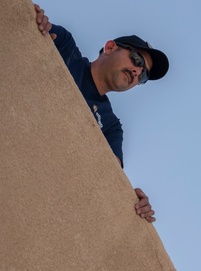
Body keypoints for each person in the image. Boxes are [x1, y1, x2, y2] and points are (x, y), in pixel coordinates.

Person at [33, 4, 169, 224]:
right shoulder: (64, 47)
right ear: (109, 47)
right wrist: (32, 20)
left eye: (143, 76)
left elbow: (106, 177)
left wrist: (131, 201)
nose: (137, 72)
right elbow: (28, 27)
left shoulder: (111, 127)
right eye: (136, 60)